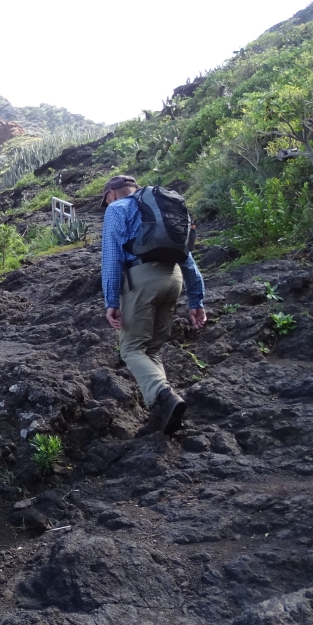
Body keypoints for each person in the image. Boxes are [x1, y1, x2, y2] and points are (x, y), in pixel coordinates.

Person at [100, 175, 207, 435]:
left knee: (132, 349)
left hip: (142, 280)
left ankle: (165, 395)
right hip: (174, 279)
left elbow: (112, 258)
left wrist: (111, 301)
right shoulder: (160, 207)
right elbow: (187, 256)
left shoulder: (117, 209)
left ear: (111, 194)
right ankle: (162, 415)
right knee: (152, 349)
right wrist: (197, 299)